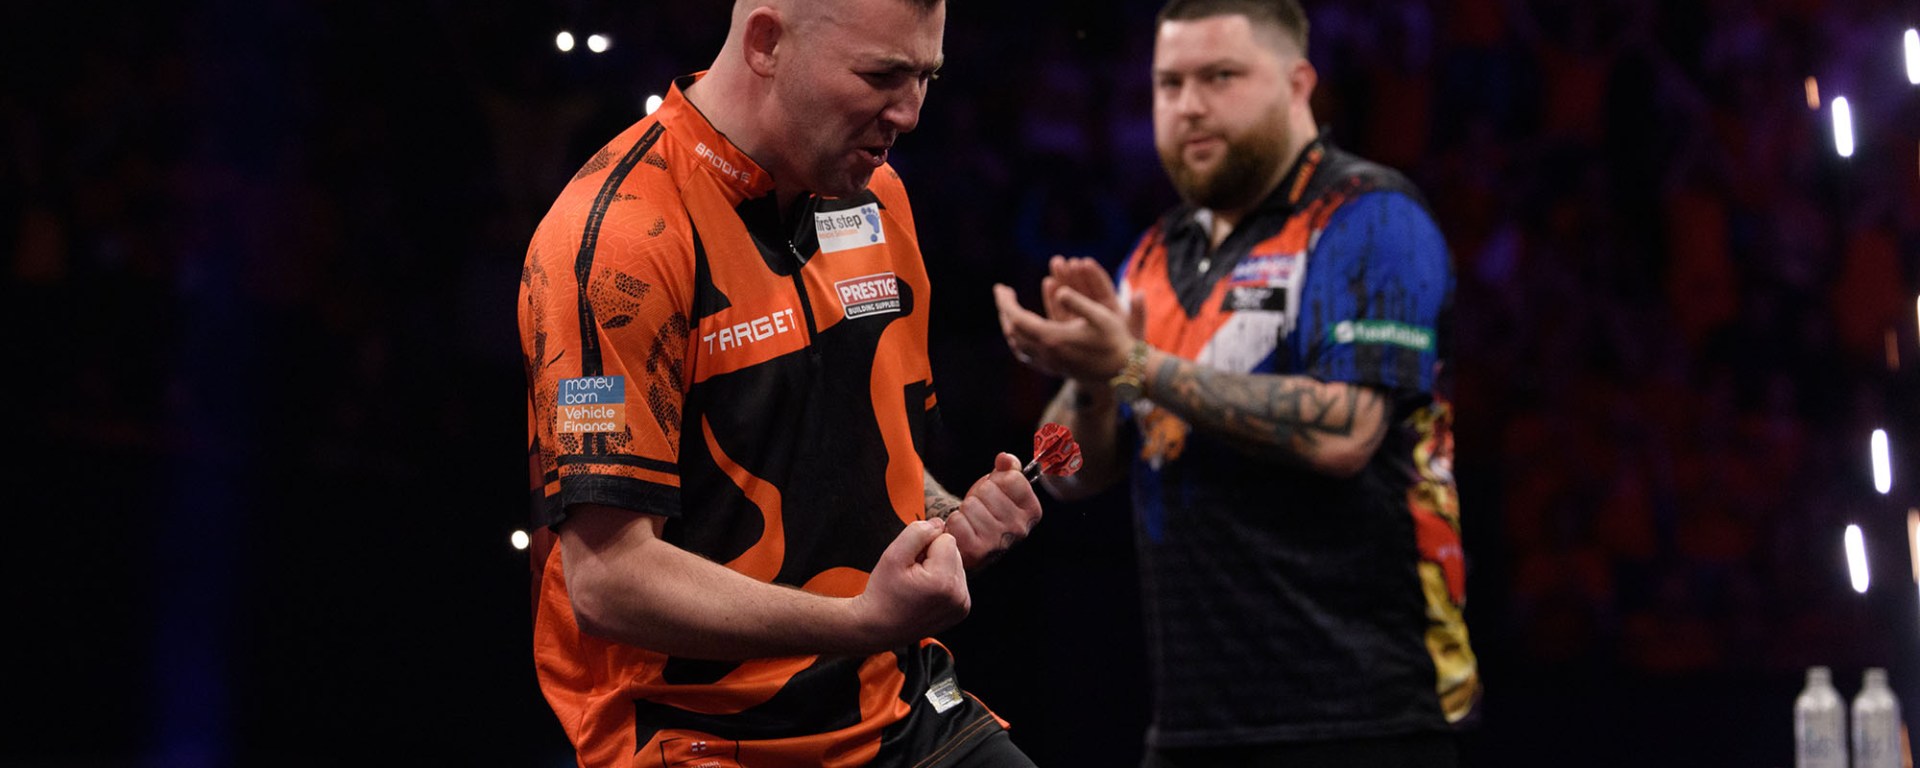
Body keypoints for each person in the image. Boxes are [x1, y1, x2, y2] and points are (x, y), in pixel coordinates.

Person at [516, 1, 1045, 765]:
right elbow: (609, 581)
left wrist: (953, 518)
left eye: (926, 76)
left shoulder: (877, 196)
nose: (910, 112)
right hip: (702, 735)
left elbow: (881, 458)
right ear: (766, 43)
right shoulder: (618, 240)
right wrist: (863, 621)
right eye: (882, 75)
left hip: (897, 705)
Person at [993, 1, 1480, 765]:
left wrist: (1132, 363)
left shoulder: (1371, 218)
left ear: (1298, 84)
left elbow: (1343, 432)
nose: (1189, 105)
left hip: (1369, 721)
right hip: (1193, 729)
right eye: (1169, 83)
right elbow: (1063, 470)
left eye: (1220, 77)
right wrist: (1088, 377)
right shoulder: (1157, 253)